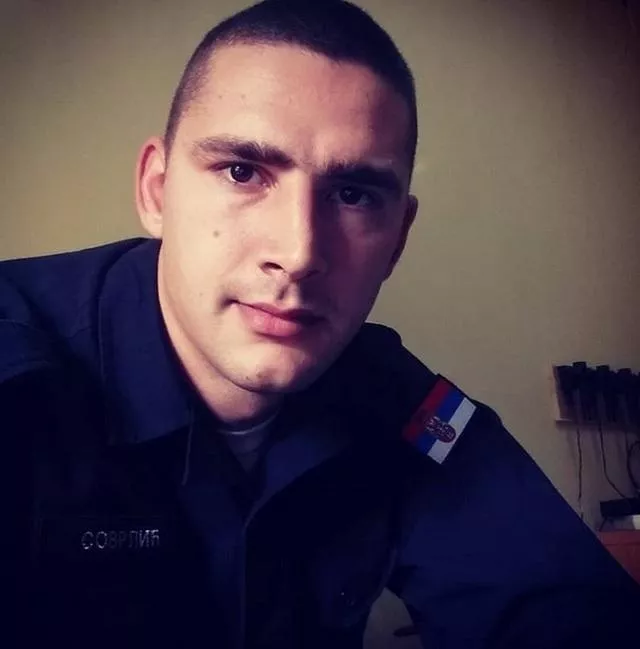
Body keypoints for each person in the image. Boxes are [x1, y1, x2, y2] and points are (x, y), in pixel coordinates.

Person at [1, 1, 638, 647]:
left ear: (398, 239)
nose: (300, 252)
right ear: (157, 190)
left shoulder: (394, 398)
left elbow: (565, 609)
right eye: (243, 172)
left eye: (353, 194)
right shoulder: (20, 377)